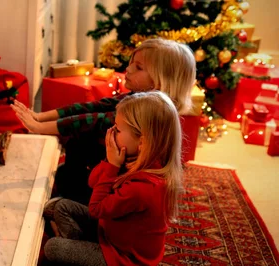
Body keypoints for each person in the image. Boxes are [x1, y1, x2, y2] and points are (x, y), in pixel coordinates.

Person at [11, 38, 195, 204]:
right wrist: (42, 116)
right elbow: (94, 107)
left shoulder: (148, 112)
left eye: (138, 67)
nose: (128, 69)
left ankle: (76, 202)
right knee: (75, 152)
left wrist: (39, 127)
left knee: (80, 144)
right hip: (117, 165)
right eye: (132, 63)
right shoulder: (139, 97)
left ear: (160, 82)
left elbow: (95, 121)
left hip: (124, 183)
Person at [43, 91, 184, 265]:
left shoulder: (143, 188)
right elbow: (92, 181)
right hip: (108, 232)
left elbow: (95, 209)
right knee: (60, 207)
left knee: (52, 247)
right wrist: (110, 162)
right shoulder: (133, 159)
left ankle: (74, 250)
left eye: (117, 129)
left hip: (121, 258)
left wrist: (112, 167)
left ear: (142, 142)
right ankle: (77, 250)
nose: (110, 132)